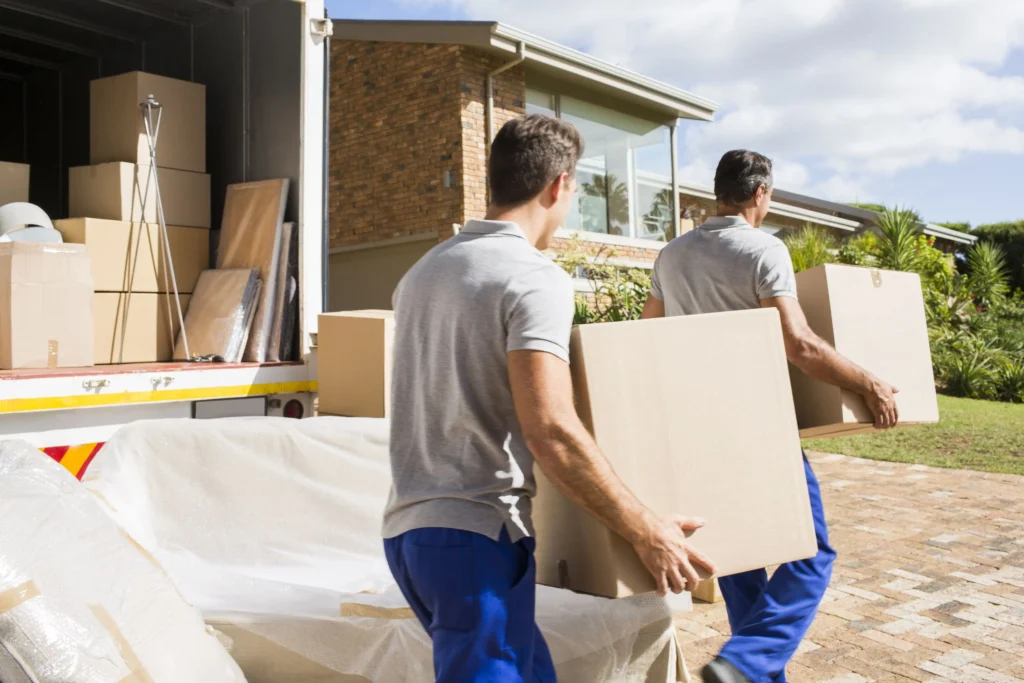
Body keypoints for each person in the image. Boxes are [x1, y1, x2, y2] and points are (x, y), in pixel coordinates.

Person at [382, 114, 718, 683]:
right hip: (475, 540)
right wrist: (646, 530)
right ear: (559, 185)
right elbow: (552, 430)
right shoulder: (533, 277)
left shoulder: (421, 274)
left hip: (411, 534)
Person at [641, 150, 899, 683]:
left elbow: (648, 338)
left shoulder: (671, 256)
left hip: (697, 428)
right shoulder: (763, 249)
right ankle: (745, 660)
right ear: (761, 193)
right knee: (813, 551)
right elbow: (799, 345)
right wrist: (867, 383)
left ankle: (748, 671)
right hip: (757, 427)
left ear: (719, 192)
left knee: (740, 557)